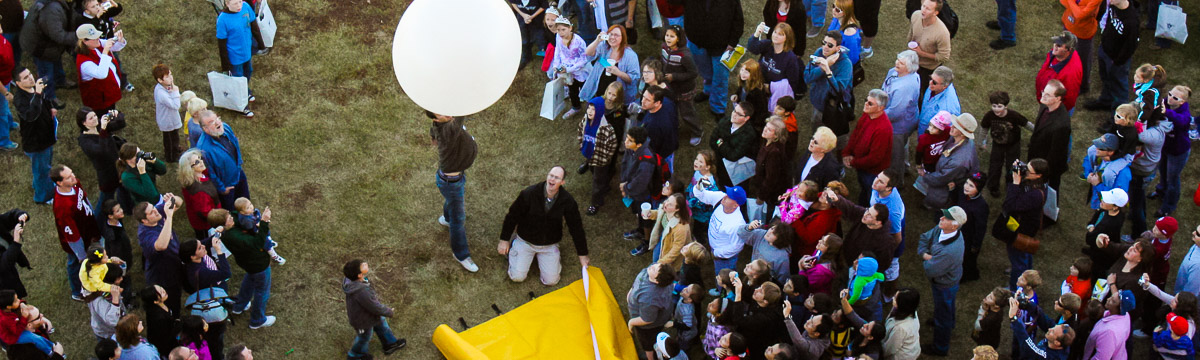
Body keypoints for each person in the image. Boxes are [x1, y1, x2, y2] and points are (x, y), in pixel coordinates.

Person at [498, 166, 589, 284]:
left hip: (549, 245)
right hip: (525, 241)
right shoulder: (529, 193)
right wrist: (504, 240)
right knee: (517, 277)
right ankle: (515, 245)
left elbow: (576, 227)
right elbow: (512, 216)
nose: (552, 179)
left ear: (562, 182)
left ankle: (544, 258)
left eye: (556, 178)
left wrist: (582, 254)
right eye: (551, 175)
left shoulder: (568, 201)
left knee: (551, 281)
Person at [424, 110, 479, 272]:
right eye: (441, 114)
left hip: (451, 180)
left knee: (452, 203)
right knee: (458, 220)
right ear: (435, 118)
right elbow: (461, 112)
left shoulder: (438, 125)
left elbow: (434, 137)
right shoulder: (448, 130)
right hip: (452, 183)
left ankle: (447, 218)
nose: (447, 114)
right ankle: (460, 254)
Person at [207, 208, 275, 329]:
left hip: (247, 263)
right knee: (262, 291)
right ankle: (257, 320)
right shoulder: (235, 236)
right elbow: (257, 243)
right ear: (223, 224)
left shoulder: (226, 230)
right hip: (258, 265)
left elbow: (234, 214)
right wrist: (264, 222)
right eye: (228, 218)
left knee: (250, 280)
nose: (232, 217)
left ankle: (239, 306)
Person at [917, 206, 966, 356]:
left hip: (944, 285)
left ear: (954, 225)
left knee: (943, 315)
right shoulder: (942, 229)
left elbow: (930, 270)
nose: (941, 218)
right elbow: (925, 237)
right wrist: (925, 254)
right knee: (946, 307)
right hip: (948, 280)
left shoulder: (949, 251)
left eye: (946, 218)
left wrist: (927, 258)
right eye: (943, 215)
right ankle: (948, 322)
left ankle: (940, 347)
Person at [680, 0, 743, 116]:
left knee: (720, 78)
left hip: (721, 46)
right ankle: (708, 91)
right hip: (697, 42)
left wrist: (732, 42)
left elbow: (738, 20)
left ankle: (718, 108)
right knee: (705, 72)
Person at [994, 159, 1049, 290]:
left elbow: (1010, 204)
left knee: (1018, 254)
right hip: (1025, 224)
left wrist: (1016, 183)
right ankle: (1027, 272)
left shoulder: (1035, 194)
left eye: (1028, 170)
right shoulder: (1035, 182)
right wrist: (1014, 171)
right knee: (1025, 252)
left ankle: (1015, 287)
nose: (1025, 172)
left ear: (1038, 175)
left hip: (1022, 228)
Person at [50, 164, 101, 301]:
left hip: (89, 228)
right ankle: (77, 290)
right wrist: (82, 255)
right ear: (60, 183)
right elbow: (72, 236)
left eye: (72, 173)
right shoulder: (63, 207)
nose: (74, 177)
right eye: (68, 176)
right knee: (75, 263)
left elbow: (83, 197)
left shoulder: (74, 183)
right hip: (78, 240)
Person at [343, 259, 406, 359]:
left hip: (371, 315)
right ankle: (355, 355)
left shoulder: (352, 279)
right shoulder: (361, 291)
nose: (365, 264)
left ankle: (390, 344)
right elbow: (374, 307)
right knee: (364, 337)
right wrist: (389, 311)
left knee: (382, 325)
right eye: (362, 266)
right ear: (359, 275)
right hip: (362, 321)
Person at [1083, 0, 1138, 111]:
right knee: (1105, 78)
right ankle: (1106, 101)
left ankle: (1117, 118)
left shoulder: (1132, 21)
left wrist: (1117, 62)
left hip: (1117, 61)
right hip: (1104, 50)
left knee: (1119, 88)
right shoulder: (1114, 7)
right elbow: (1108, 22)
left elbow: (1130, 46)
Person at [180, 238, 230, 360]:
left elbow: (204, 243)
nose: (203, 246)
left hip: (204, 294)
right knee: (216, 338)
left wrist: (216, 234)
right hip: (210, 304)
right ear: (193, 256)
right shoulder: (201, 272)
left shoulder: (190, 264)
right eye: (200, 247)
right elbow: (226, 273)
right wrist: (219, 252)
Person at [13, 68, 58, 204]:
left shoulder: (35, 88)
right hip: (36, 142)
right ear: (18, 83)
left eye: (30, 74)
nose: (31, 78)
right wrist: (38, 94)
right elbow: (31, 115)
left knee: (45, 166)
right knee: (41, 171)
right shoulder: (20, 100)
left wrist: (50, 108)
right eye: (26, 77)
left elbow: (44, 101)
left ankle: (42, 185)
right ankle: (42, 197)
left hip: (46, 136)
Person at [917, 113, 979, 210]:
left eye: (956, 127)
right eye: (953, 124)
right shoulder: (960, 140)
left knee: (938, 195)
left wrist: (925, 175)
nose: (951, 127)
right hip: (948, 174)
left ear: (963, 133)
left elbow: (941, 178)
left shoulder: (959, 161)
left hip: (948, 181)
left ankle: (932, 206)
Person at [135, 195, 184, 317]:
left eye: (153, 208)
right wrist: (169, 217)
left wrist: (173, 199)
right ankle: (173, 321)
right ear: (144, 221)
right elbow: (161, 245)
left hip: (174, 264)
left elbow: (179, 202)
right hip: (163, 276)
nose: (156, 211)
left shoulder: (157, 213)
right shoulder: (145, 234)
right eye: (151, 212)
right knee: (170, 302)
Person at [76, 107, 127, 222]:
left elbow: (121, 123)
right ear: (84, 123)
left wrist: (118, 114)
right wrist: (103, 130)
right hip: (107, 173)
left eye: (95, 116)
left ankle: (127, 208)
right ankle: (97, 221)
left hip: (118, 166)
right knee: (106, 198)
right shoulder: (85, 141)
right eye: (91, 118)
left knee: (124, 187)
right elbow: (101, 151)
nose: (95, 119)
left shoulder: (99, 126)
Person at [196, 111, 253, 213]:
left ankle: (249, 217)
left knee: (245, 201)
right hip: (227, 185)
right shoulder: (204, 149)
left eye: (217, 118)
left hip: (238, 173)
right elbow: (210, 173)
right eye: (212, 122)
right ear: (205, 129)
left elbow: (235, 145)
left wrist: (239, 164)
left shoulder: (225, 128)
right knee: (231, 210)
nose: (218, 123)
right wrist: (222, 189)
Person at [24, 0, 76, 108]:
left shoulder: (56, 4)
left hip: (50, 43)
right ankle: (49, 97)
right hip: (41, 47)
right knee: (46, 72)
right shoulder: (50, 9)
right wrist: (78, 36)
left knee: (56, 59)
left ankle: (60, 80)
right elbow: (58, 35)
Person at [216, 0, 263, 117]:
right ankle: (241, 107)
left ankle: (245, 91)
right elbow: (221, 44)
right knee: (238, 80)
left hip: (247, 52)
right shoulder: (222, 20)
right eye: (235, 4)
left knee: (248, 72)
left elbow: (254, 26)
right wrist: (225, 66)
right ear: (227, 4)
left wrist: (261, 43)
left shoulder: (246, 7)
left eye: (240, 2)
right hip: (235, 57)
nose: (239, 6)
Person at [843, 89, 891, 205]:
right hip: (861, 165)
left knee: (871, 195)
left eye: (870, 103)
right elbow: (856, 134)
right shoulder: (867, 115)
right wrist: (846, 153)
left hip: (872, 172)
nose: (865, 104)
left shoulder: (883, 129)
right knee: (864, 188)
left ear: (880, 108)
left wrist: (854, 162)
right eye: (866, 100)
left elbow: (875, 158)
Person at [691, 182, 748, 277]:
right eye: (727, 193)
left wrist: (717, 253)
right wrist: (698, 186)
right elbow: (702, 195)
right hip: (715, 248)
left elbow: (737, 246)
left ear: (735, 205)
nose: (725, 197)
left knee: (723, 278)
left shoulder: (737, 224)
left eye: (729, 197)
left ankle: (725, 291)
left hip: (725, 258)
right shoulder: (720, 198)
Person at [979, 91, 1029, 196]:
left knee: (1012, 166)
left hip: (1013, 144)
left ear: (1006, 106)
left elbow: (1026, 124)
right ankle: (993, 187)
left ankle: (1011, 185)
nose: (996, 109)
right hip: (998, 144)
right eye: (994, 106)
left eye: (1000, 106)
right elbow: (984, 128)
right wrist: (982, 142)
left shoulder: (1013, 115)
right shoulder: (989, 115)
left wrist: (1038, 131)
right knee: (995, 166)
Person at [883, 50, 921, 183]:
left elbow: (895, 112)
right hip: (903, 119)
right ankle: (905, 166)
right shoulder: (894, 72)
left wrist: (877, 114)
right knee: (901, 147)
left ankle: (897, 182)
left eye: (901, 63)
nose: (897, 63)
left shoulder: (905, 87)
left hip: (899, 126)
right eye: (898, 59)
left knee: (895, 154)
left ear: (909, 68)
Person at [660, 25, 702, 146]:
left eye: (672, 36)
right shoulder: (663, 47)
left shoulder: (685, 55)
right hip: (670, 88)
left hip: (684, 90)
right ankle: (674, 124)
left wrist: (675, 77)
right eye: (667, 35)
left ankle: (697, 131)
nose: (668, 38)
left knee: (687, 113)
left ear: (678, 39)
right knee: (670, 108)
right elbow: (663, 63)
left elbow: (693, 73)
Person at [1027, 80, 1072, 191]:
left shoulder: (1062, 125)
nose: (1043, 96)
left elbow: (1055, 154)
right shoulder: (1045, 105)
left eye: (1047, 95)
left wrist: (1042, 172)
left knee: (1050, 189)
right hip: (1037, 153)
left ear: (1058, 99)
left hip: (1048, 165)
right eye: (1043, 92)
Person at [1154, 85, 1191, 218]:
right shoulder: (1165, 103)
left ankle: (1168, 206)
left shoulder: (1185, 114)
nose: (1170, 98)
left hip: (1178, 152)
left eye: (1174, 97)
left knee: (1172, 179)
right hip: (1165, 147)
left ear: (1182, 102)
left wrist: (1166, 112)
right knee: (1162, 171)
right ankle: (1161, 191)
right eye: (1169, 94)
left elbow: (1181, 121)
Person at [748, 23, 803, 111]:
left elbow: (792, 82)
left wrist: (771, 87)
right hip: (758, 85)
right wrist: (756, 34)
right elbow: (752, 48)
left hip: (774, 93)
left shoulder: (790, 58)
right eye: (775, 32)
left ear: (787, 38)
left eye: (780, 34)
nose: (776, 36)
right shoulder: (768, 45)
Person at [580, 25, 640, 105]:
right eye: (610, 34)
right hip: (599, 91)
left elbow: (634, 79)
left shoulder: (631, 56)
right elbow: (587, 54)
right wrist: (597, 40)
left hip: (616, 97)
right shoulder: (604, 47)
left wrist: (618, 73)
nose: (612, 37)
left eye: (616, 35)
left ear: (623, 38)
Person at [627, 262, 677, 360]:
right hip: (651, 312)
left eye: (654, 269)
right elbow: (637, 283)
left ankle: (650, 357)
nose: (652, 266)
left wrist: (631, 322)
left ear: (657, 281)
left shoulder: (649, 298)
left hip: (648, 327)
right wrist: (630, 294)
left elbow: (647, 319)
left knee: (647, 344)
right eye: (656, 265)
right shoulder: (650, 271)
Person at [802, 31, 852, 127]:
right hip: (818, 100)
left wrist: (827, 69)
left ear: (838, 48)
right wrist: (823, 67)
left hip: (833, 105)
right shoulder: (819, 52)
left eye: (830, 45)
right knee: (816, 123)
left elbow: (837, 91)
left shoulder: (846, 64)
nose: (825, 47)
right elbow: (807, 78)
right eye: (824, 43)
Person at [74, 23, 125, 112]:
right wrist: (105, 51)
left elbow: (115, 47)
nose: (98, 38)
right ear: (85, 41)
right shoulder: (84, 63)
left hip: (107, 93)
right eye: (94, 37)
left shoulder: (95, 44)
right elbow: (101, 74)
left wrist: (119, 40)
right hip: (99, 101)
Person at [907, 0, 951, 98]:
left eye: (928, 9)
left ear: (936, 12)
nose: (923, 10)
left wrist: (921, 53)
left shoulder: (942, 33)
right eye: (923, 6)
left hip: (927, 69)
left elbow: (944, 57)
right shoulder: (916, 15)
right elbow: (911, 32)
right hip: (912, 59)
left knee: (920, 92)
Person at [1007, 296, 1074, 360]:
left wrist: (1014, 319)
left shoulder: (1050, 357)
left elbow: (1029, 347)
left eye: (1052, 332)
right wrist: (1027, 304)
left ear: (1057, 343)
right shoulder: (1062, 338)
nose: (1049, 329)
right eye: (1053, 328)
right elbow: (1044, 320)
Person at [710, 101, 759, 187]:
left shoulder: (749, 134)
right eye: (734, 110)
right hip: (720, 164)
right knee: (721, 183)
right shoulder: (725, 121)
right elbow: (712, 141)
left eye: (739, 114)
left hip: (736, 170)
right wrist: (721, 145)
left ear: (746, 118)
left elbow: (733, 156)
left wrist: (720, 143)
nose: (734, 115)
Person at [621, 127, 657, 243]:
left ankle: (647, 241)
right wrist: (623, 182)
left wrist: (626, 188)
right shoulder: (630, 149)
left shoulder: (646, 160)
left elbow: (641, 182)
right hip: (632, 189)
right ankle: (640, 230)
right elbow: (625, 164)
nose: (626, 142)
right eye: (627, 138)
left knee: (645, 216)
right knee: (638, 213)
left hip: (643, 194)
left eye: (630, 140)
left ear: (639, 145)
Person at [1060, 0, 1102, 95]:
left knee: (1082, 60)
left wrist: (1071, 3)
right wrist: (1077, 9)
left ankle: (1083, 85)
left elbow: (1080, 15)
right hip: (1068, 25)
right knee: (1065, 52)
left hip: (1083, 33)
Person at [1035, 32, 1083, 112]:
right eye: (1056, 42)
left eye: (1059, 45)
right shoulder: (1057, 54)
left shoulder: (1070, 74)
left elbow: (1069, 100)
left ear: (1068, 50)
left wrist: (1053, 111)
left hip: (1053, 109)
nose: (1055, 46)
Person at [548, 16, 586, 118]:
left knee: (585, 89)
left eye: (563, 29)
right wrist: (556, 65)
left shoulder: (579, 41)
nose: (561, 33)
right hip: (566, 69)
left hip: (580, 71)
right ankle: (575, 107)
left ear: (570, 28)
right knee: (572, 89)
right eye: (559, 30)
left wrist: (570, 69)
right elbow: (558, 51)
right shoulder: (558, 37)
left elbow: (584, 60)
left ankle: (591, 109)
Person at [179, 150, 221, 240]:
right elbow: (205, 212)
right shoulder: (199, 192)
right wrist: (218, 218)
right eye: (197, 162)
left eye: (200, 158)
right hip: (205, 224)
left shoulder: (193, 177)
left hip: (198, 217)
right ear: (189, 168)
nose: (201, 161)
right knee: (207, 241)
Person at [1082, 288, 1135, 359]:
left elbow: (1101, 358)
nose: (1108, 299)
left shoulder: (1109, 333)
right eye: (1111, 296)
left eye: (1113, 301)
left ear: (1119, 309)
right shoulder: (1125, 315)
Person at [1083, 134, 1132, 210]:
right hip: (1096, 197)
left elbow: (1117, 197)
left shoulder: (1123, 173)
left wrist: (1098, 184)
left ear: (1110, 152)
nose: (1096, 149)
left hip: (1106, 207)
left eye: (1100, 148)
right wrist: (1088, 174)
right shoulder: (1098, 156)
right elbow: (1087, 161)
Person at [641, 193, 691, 264]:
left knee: (660, 263)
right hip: (664, 237)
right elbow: (660, 214)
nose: (666, 204)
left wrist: (661, 263)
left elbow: (676, 249)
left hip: (670, 244)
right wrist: (650, 214)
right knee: (656, 256)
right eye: (667, 200)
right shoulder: (666, 209)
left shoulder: (681, 228)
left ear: (677, 209)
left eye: (670, 204)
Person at [754, 118, 789, 217]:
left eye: (769, 130)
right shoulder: (766, 141)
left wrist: (761, 197)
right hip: (763, 185)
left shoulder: (774, 153)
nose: (765, 129)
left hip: (771, 194)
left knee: (767, 214)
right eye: (766, 127)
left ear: (776, 136)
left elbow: (771, 179)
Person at [232, 198, 283, 265]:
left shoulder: (253, 212)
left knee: (267, 234)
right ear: (242, 212)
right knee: (266, 243)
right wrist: (258, 224)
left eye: (250, 204)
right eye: (248, 208)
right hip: (257, 232)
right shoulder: (246, 220)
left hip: (260, 228)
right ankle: (274, 256)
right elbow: (250, 228)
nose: (251, 207)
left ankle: (270, 241)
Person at [640, 86, 679, 172]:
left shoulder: (654, 125)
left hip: (662, 154)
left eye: (647, 100)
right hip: (670, 144)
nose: (643, 101)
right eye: (643, 97)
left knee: (664, 173)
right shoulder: (667, 103)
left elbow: (652, 148)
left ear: (657, 103)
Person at [916, 66, 960, 136]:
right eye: (930, 78)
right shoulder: (935, 86)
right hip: (923, 125)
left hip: (930, 134)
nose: (930, 82)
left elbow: (943, 132)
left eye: (934, 82)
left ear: (945, 86)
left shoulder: (947, 108)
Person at [153, 63, 183, 162]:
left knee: (174, 136)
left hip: (169, 118)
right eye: (167, 77)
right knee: (170, 140)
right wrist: (175, 91)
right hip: (167, 120)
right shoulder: (161, 94)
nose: (171, 78)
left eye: (170, 74)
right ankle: (171, 157)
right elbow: (176, 106)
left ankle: (175, 150)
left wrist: (172, 87)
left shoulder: (162, 86)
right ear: (160, 80)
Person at [729, 59, 770, 130]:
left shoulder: (757, 91)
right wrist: (736, 95)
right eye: (742, 70)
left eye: (746, 72)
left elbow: (761, 111)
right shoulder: (744, 81)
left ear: (754, 75)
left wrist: (753, 125)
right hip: (743, 112)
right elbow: (739, 90)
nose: (743, 73)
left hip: (751, 119)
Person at [138, 285, 178, 357]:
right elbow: (164, 338)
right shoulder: (159, 317)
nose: (164, 291)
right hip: (164, 345)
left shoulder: (162, 304)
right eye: (161, 292)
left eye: (161, 288)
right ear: (155, 301)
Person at [0, 210, 31, 298]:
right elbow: (3, 266)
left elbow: (9, 217)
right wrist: (16, 242)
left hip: (8, 273)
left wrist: (21, 216)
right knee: (14, 304)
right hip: (3, 288)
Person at [883, 288, 921, 360]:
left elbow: (890, 348)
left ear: (902, 304)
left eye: (895, 298)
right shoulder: (910, 311)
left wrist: (880, 354)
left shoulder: (900, 328)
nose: (892, 298)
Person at [509, 0, 546, 68]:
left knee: (540, 38)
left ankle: (545, 55)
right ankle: (526, 57)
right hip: (522, 18)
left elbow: (544, 6)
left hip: (536, 20)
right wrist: (523, 15)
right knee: (524, 39)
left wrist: (532, 16)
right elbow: (513, 3)